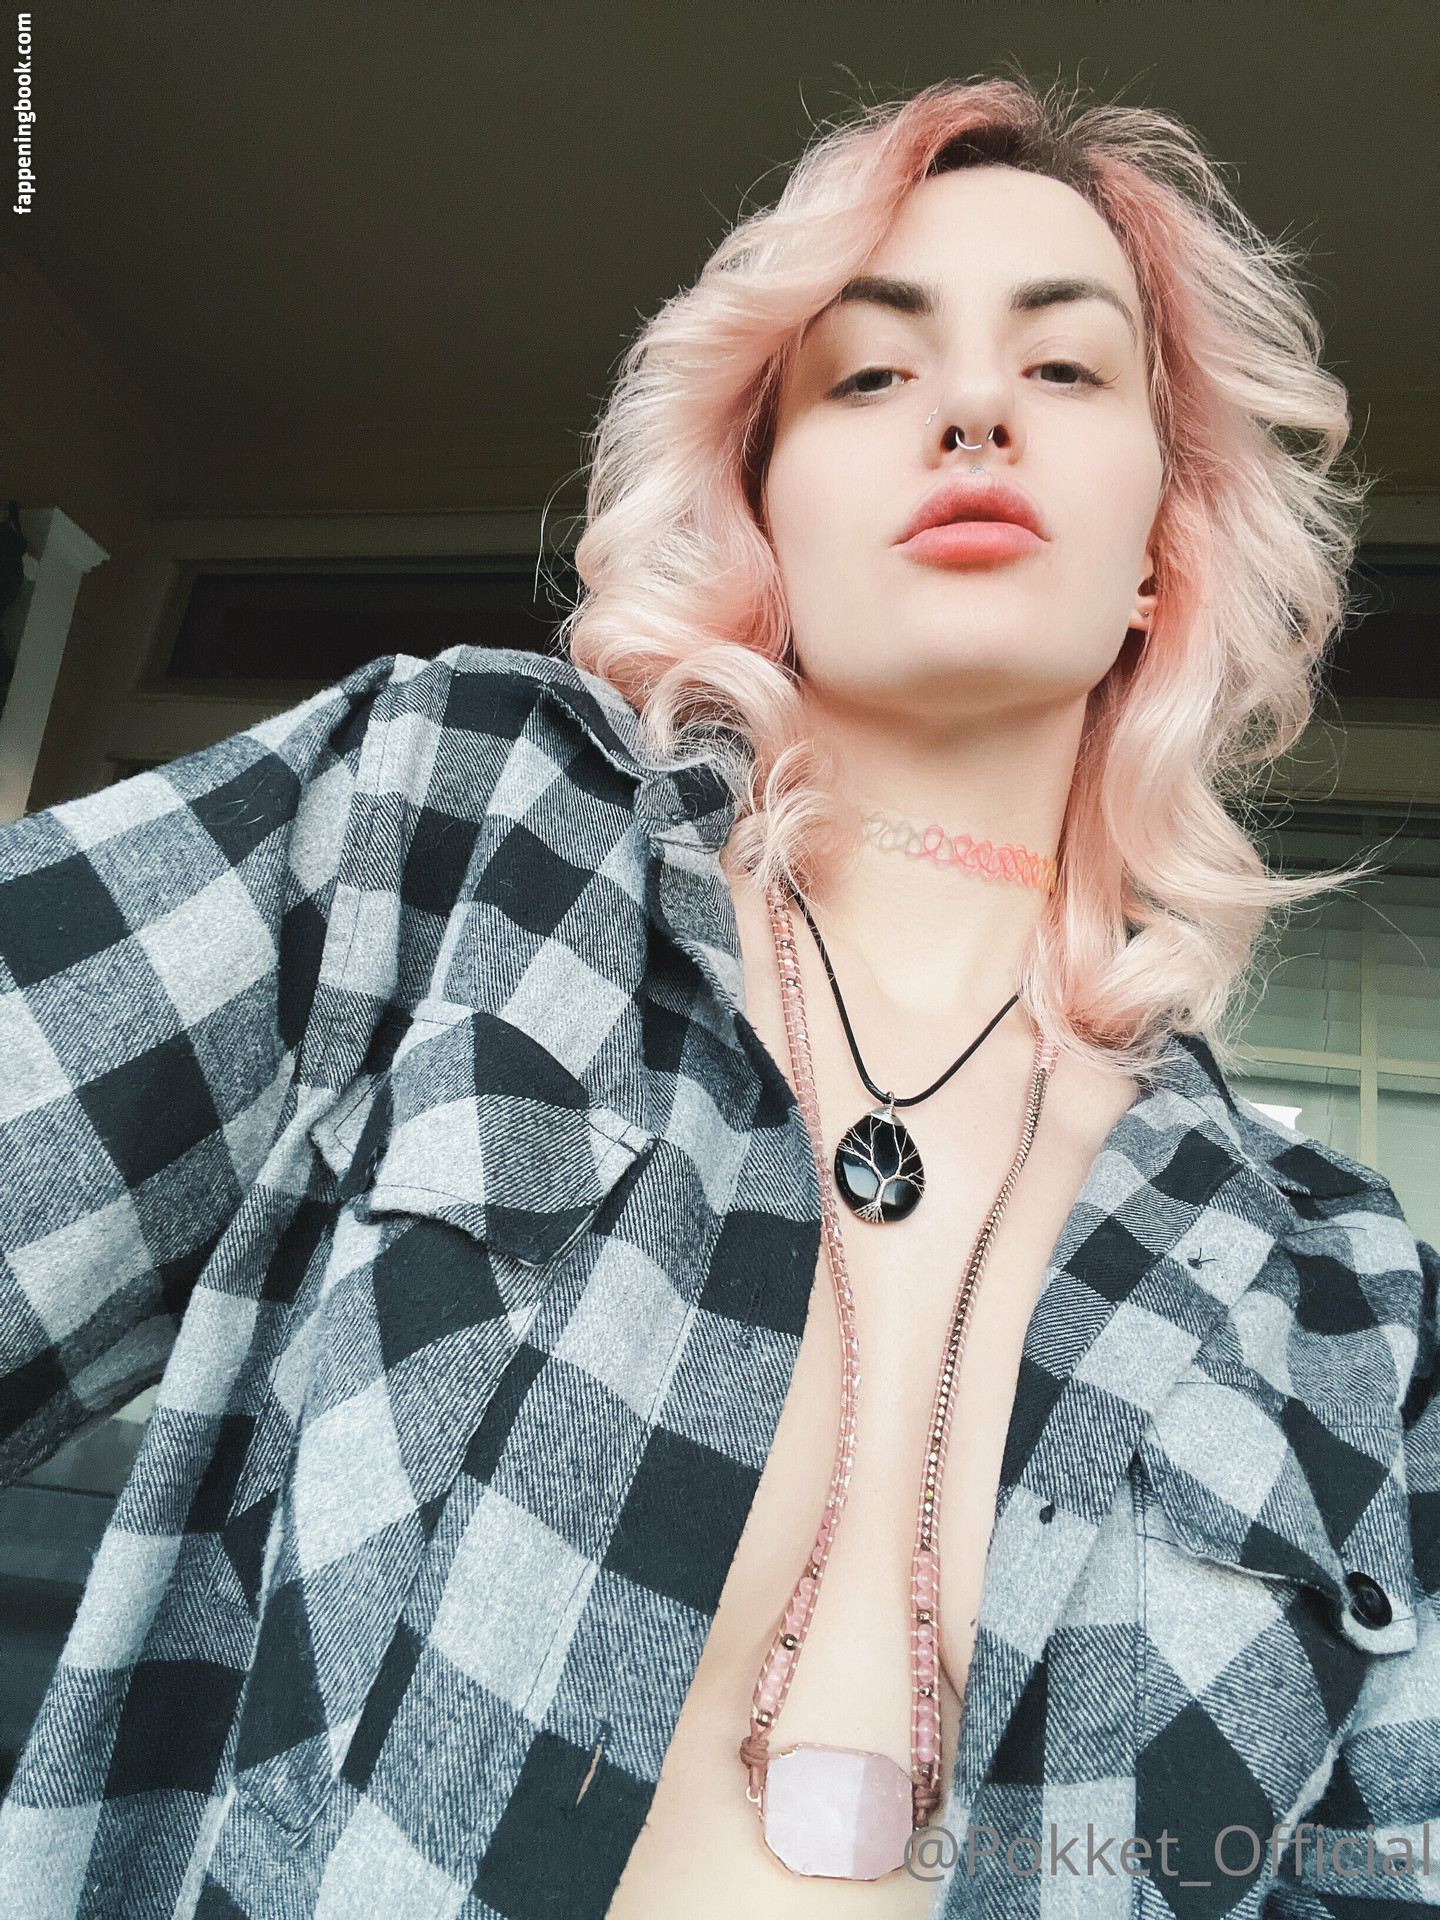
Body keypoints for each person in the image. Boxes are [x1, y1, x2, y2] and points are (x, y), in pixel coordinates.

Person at [0, 73, 1435, 1920]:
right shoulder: (452, 826)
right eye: (871, 372)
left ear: (1164, 547)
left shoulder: (1354, 1307)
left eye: (1067, 368)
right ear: (762, 505)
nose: (975, 409)